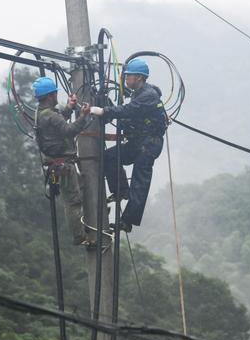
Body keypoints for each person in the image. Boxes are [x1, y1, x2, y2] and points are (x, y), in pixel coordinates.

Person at [90, 58, 167, 232]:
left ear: (139, 77)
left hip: (149, 144)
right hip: (137, 142)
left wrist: (105, 111)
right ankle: (121, 190)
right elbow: (130, 116)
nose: (125, 79)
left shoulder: (148, 95)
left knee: (140, 181)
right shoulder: (137, 94)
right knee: (109, 157)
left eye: (128, 76)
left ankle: (127, 221)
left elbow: (129, 110)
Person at [32, 76, 92, 245]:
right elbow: (68, 130)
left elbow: (58, 123)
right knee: (73, 202)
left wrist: (69, 108)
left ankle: (89, 219)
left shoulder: (43, 113)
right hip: (62, 164)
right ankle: (79, 236)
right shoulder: (49, 115)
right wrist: (83, 116)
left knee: (82, 188)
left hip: (58, 164)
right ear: (51, 95)